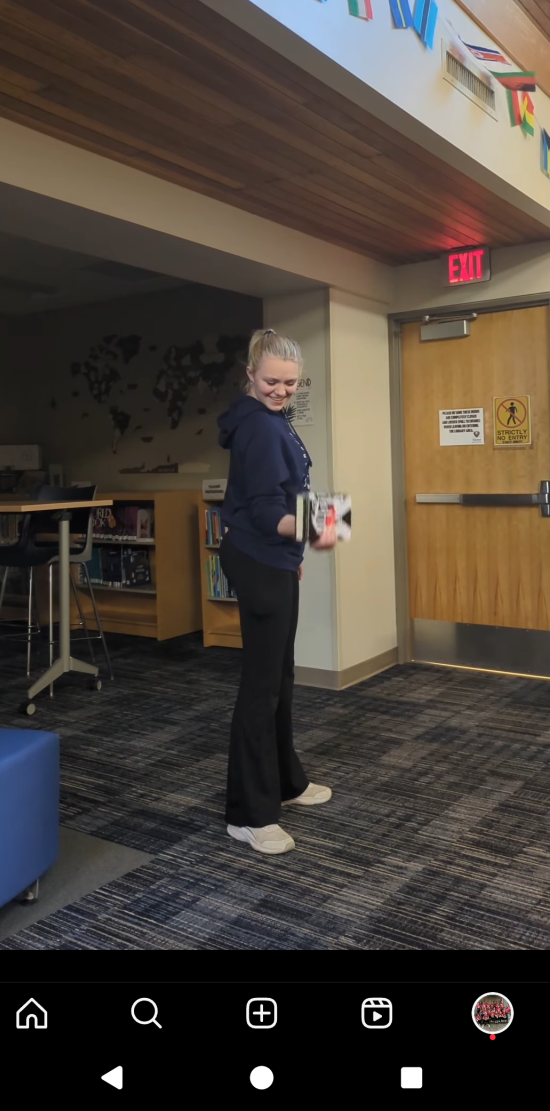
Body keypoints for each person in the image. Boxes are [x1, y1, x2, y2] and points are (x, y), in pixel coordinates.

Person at [217, 328, 338, 856]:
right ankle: (248, 815)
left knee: (281, 678)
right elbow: (268, 511)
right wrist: (323, 528)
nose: (281, 391)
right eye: (271, 381)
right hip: (258, 557)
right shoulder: (259, 428)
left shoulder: (273, 420)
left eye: (290, 383)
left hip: (275, 558)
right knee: (262, 685)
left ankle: (286, 782)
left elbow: (292, 491)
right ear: (250, 374)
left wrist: (296, 554)